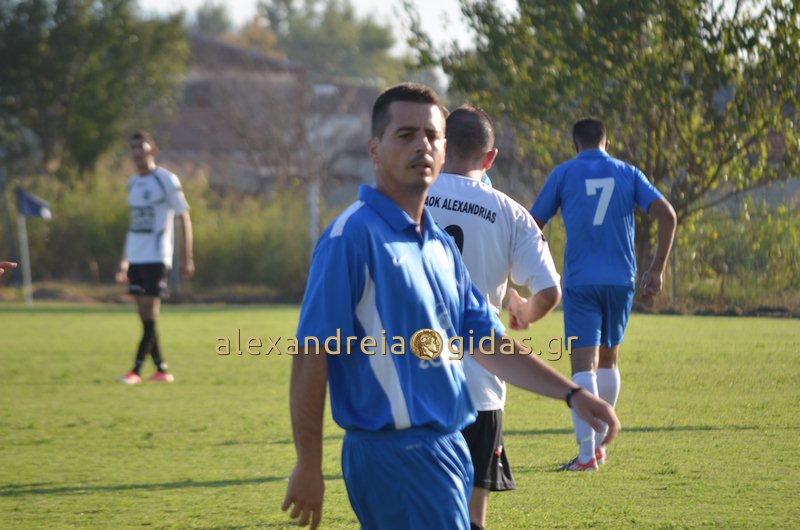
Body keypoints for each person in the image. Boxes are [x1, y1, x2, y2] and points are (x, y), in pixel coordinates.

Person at [281, 83, 619, 530]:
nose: (421, 145)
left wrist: (572, 394)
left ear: (444, 150)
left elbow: (488, 343)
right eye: (405, 134)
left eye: (431, 135)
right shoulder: (351, 237)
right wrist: (308, 463)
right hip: (397, 454)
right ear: (375, 149)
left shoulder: (437, 245)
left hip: (450, 446)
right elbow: (311, 354)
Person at [426, 104, 561, 529]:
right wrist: (524, 313)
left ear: (441, 145)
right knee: (472, 517)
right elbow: (550, 291)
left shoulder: (408, 198)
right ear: (490, 158)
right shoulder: (510, 212)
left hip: (412, 381)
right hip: (480, 386)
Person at [530, 117, 676, 471]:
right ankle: (599, 449)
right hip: (621, 279)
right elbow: (668, 215)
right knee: (609, 360)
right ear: (606, 143)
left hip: (581, 281)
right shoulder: (628, 172)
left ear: (575, 145)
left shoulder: (564, 174)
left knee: (583, 365)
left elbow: (533, 225)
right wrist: (656, 269)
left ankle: (586, 454)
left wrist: (536, 271)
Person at [115, 131, 194, 385]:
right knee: (145, 315)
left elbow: (183, 217)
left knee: (150, 310)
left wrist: (187, 256)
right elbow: (133, 225)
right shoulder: (133, 183)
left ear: (153, 150)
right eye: (133, 148)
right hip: (136, 258)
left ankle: (135, 371)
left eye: (141, 147)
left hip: (157, 256)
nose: (136, 152)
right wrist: (124, 260)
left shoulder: (166, 180)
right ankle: (161, 369)